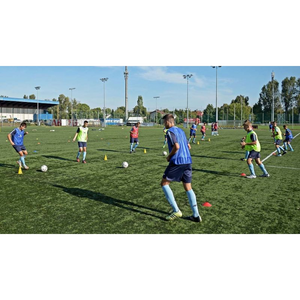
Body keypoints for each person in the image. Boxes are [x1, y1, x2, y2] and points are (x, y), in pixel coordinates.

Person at [161, 114, 202, 222]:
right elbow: (188, 146)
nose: (164, 124)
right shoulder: (181, 131)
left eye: (164, 122)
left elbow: (177, 146)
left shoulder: (170, 132)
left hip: (177, 161)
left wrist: (169, 156)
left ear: (168, 122)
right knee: (188, 187)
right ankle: (196, 215)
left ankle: (176, 210)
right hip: (187, 161)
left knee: (164, 183)